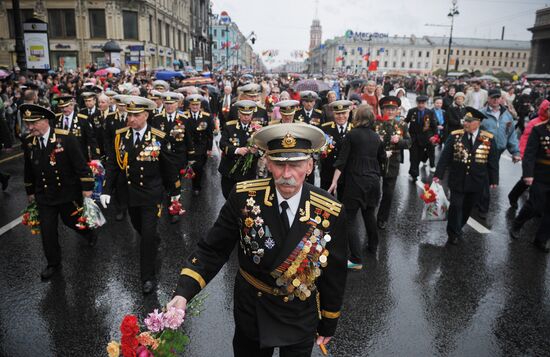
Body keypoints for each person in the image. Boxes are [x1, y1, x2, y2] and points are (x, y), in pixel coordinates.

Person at [167, 123, 348, 357]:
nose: (287, 174)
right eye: (279, 164)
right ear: (268, 163)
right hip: (253, 308)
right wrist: (183, 293)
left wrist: (329, 319)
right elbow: (213, 249)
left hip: (299, 311)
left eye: (295, 165)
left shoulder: (329, 210)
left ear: (309, 165)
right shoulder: (244, 197)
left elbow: (334, 270)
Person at [101, 96, 180, 293]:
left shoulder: (158, 136)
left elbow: (169, 167)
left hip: (151, 195)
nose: (131, 119)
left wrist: (175, 192)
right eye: (130, 114)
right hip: (129, 194)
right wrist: (106, 190)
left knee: (146, 237)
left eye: (136, 115)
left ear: (146, 115)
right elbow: (113, 164)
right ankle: (154, 240)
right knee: (140, 228)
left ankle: (148, 277)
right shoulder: (121, 136)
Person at [22, 104, 97, 280]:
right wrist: (30, 191)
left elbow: (80, 165)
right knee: (47, 231)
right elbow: (28, 169)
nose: (30, 127)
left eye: (34, 123)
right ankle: (53, 263)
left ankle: (89, 232)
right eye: (27, 123)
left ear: (45, 120)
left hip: (66, 193)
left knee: (71, 222)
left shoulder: (65, 138)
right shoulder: (29, 142)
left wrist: (87, 188)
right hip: (44, 195)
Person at [328, 104, 385, 267]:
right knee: (369, 214)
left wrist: (334, 182)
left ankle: (355, 259)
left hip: (355, 182)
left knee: (350, 219)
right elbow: (383, 160)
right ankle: (373, 247)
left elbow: (342, 161)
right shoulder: (376, 137)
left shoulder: (351, 135)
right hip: (373, 181)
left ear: (357, 117)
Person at [433, 107, 499, 245]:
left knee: (467, 207)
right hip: (457, 178)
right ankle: (453, 233)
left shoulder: (488, 138)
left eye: (469, 121)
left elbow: (492, 161)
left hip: (477, 180)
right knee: (456, 205)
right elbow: (445, 157)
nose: (466, 123)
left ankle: (458, 227)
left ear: (478, 122)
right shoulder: (455, 135)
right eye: (465, 120)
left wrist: (494, 179)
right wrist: (438, 174)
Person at [477, 89, 521, 220]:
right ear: (488, 98)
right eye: (493, 97)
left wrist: (515, 152)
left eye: (498, 97)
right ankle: (483, 207)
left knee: (489, 178)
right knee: (484, 179)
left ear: (501, 99)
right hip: (483, 150)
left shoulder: (507, 115)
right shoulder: (481, 113)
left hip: (498, 151)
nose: (496, 100)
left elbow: (511, 134)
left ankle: (476, 200)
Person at [152, 91, 195, 224]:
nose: (169, 106)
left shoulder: (185, 119)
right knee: (165, 183)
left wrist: (190, 156)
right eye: (167, 103)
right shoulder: (157, 118)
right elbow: (154, 139)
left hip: (178, 157)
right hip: (162, 157)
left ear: (177, 104)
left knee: (176, 184)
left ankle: (175, 209)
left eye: (172, 103)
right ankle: (166, 201)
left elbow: (188, 139)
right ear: (163, 104)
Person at [510, 119, 550, 252]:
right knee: (535, 206)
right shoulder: (539, 129)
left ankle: (541, 239)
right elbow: (530, 154)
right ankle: (517, 223)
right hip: (541, 174)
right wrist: (528, 174)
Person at [375, 96, 411, 230]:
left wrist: (399, 141)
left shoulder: (402, 125)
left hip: (393, 162)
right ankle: (368, 214)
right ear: (382, 110)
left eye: (393, 109)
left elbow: (409, 143)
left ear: (397, 110)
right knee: (373, 191)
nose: (390, 112)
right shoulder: (376, 123)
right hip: (376, 160)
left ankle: (382, 218)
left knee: (388, 193)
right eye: (387, 109)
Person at [508, 100, 549, 209]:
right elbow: (525, 139)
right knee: (527, 181)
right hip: (533, 158)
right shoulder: (535, 123)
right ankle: (514, 196)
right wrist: (522, 154)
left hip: (545, 158)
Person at [218, 100, 261, 199]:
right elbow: (222, 144)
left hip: (248, 172)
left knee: (245, 199)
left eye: (248, 114)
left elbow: (263, 148)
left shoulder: (258, 128)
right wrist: (237, 150)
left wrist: (256, 152)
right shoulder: (230, 126)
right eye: (243, 114)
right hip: (230, 169)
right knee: (228, 196)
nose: (246, 117)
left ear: (252, 114)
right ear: (238, 113)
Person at [320, 100, 354, 200]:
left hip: (347, 173)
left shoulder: (354, 129)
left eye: (344, 113)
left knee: (344, 203)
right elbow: (322, 153)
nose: (340, 116)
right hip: (328, 172)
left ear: (349, 113)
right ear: (333, 114)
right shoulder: (325, 128)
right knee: (326, 203)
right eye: (337, 113)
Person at [183, 94, 214, 197]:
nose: (195, 107)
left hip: (201, 146)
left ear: (200, 105)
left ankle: (197, 186)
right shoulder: (184, 115)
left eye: (197, 105)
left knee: (199, 167)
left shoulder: (207, 116)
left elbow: (210, 134)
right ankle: (193, 183)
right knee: (190, 166)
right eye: (193, 105)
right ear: (189, 105)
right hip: (188, 145)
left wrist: (209, 148)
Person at [53, 94, 99, 161]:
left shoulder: (82, 119)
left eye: (66, 106)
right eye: (62, 108)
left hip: (80, 157)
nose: (64, 109)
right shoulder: (56, 119)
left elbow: (91, 140)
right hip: (62, 158)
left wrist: (95, 158)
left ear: (72, 105)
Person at [405, 95, 437, 180]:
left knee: (419, 156)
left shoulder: (429, 112)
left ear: (425, 103)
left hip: (424, 139)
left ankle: (414, 171)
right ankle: (414, 174)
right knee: (413, 157)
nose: (421, 105)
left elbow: (434, 125)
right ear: (417, 103)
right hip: (413, 138)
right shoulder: (412, 111)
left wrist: (435, 136)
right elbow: (406, 121)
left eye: (423, 103)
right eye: (419, 103)